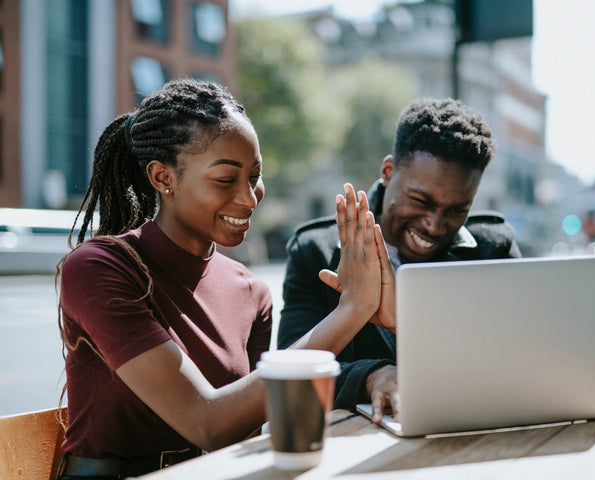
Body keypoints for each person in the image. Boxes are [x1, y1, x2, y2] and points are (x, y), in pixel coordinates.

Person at [55, 78, 389, 479]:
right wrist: (352, 309)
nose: (249, 198)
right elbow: (208, 423)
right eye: (226, 179)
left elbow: (244, 432)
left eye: (255, 175)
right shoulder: (99, 268)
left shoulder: (252, 291)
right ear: (163, 178)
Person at [277, 97, 521, 423]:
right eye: (421, 200)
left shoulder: (493, 248)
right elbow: (291, 368)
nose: (434, 225)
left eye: (456, 210)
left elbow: (517, 356)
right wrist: (371, 376)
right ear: (389, 171)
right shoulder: (315, 252)